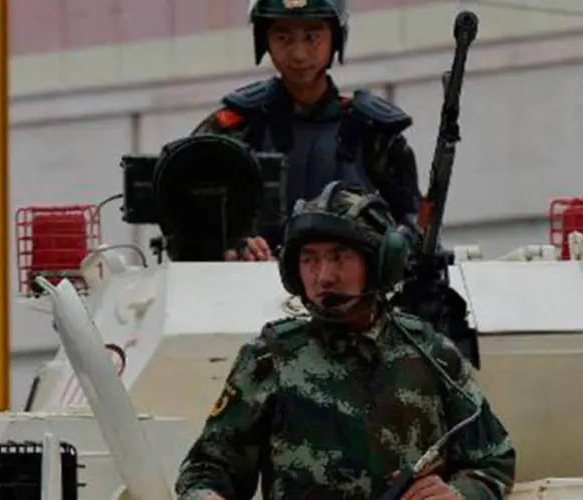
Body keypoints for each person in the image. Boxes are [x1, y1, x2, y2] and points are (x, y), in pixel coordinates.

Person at [174, 181, 516, 500]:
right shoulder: (270, 360)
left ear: (380, 263)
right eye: (310, 259)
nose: (324, 277)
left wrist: (459, 494)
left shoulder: (431, 354)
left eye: (340, 257)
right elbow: (206, 471)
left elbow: (493, 459)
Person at [192, 0, 422, 262]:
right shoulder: (236, 126)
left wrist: (383, 254)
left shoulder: (374, 132)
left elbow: (413, 225)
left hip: (349, 291)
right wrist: (233, 242)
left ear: (335, 37)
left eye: (312, 37)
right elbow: (182, 205)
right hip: (249, 283)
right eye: (283, 37)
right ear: (263, 39)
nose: (299, 54)